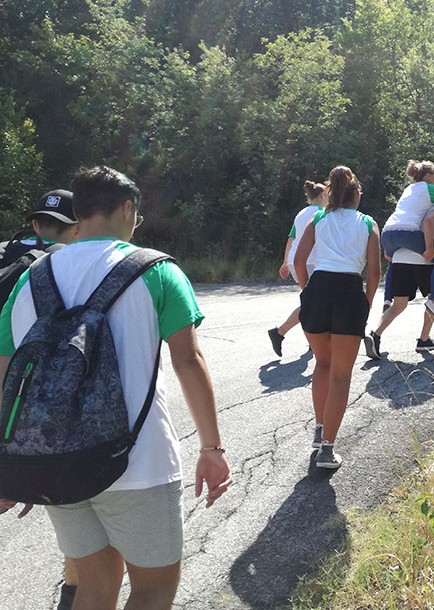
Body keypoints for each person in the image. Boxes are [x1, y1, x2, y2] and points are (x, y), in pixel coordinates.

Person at [0, 166, 232, 610]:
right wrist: (212, 448)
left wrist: (8, 460)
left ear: (78, 212)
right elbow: (187, 360)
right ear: (129, 209)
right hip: (140, 463)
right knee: (154, 587)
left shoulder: (31, 278)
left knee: (94, 585)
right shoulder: (157, 270)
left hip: (56, 461)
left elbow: (6, 373)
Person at [0, 189, 80, 610]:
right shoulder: (55, 273)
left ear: (34, 224)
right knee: (75, 521)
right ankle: (72, 597)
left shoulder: (5, 253)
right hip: (19, 409)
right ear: (77, 228)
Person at [293, 166, 380, 470]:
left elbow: (298, 260)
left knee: (323, 363)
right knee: (341, 375)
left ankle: (319, 430)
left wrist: (307, 291)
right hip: (348, 293)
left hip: (318, 291)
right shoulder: (368, 223)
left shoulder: (318, 218)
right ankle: (327, 451)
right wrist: (364, 305)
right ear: (356, 194)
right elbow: (373, 272)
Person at [364, 182, 434, 360]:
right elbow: (428, 224)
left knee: (398, 305)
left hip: (400, 257)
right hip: (422, 260)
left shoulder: (417, 206)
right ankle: (423, 339)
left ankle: (375, 335)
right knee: (432, 298)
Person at [380, 161, 434, 324]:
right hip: (408, 231)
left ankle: (387, 299)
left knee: (393, 262)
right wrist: (429, 248)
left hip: (387, 232)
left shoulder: (408, 189)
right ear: (428, 175)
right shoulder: (430, 188)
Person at [267, 180, 327, 357]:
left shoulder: (301, 213)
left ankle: (310, 339)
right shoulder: (321, 212)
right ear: (323, 195)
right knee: (313, 302)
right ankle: (280, 332)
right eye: (328, 196)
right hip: (311, 261)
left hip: (297, 261)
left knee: (312, 302)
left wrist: (286, 262)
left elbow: (291, 239)